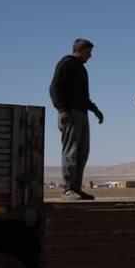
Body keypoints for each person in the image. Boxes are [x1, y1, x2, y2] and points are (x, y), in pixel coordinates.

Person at [49, 38, 103, 201]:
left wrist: (95, 110)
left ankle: (76, 188)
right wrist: (62, 110)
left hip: (82, 113)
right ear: (78, 51)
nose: (90, 56)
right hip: (70, 113)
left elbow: (83, 96)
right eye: (88, 52)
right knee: (71, 152)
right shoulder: (65, 64)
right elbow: (54, 88)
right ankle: (67, 189)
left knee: (82, 152)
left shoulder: (82, 69)